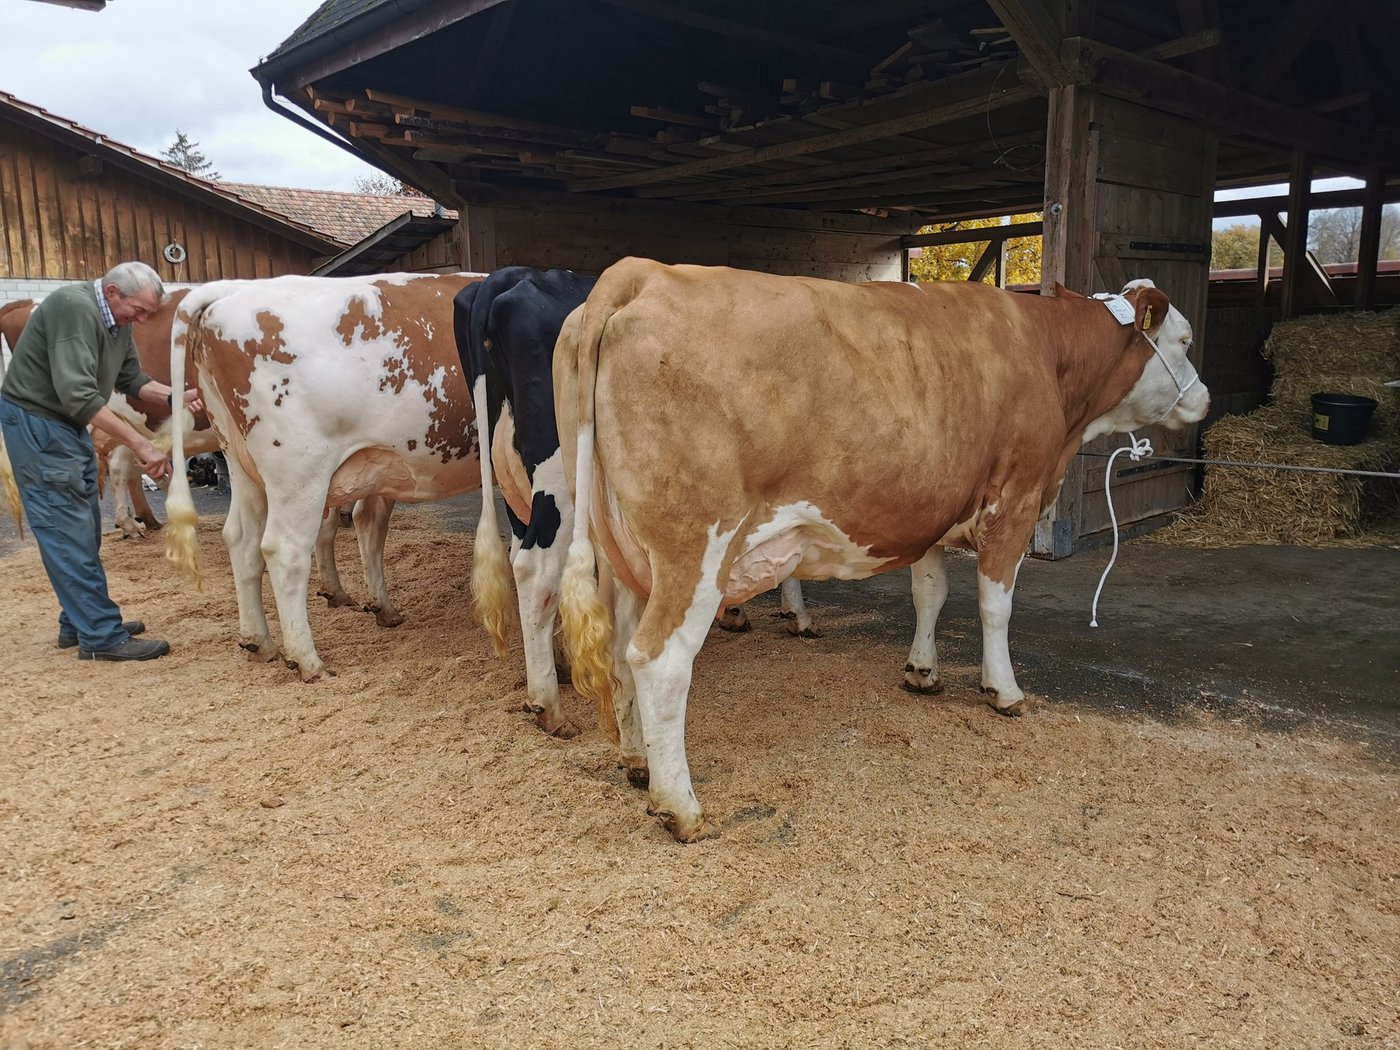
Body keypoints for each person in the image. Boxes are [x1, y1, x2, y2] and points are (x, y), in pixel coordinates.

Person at [0, 261, 202, 661]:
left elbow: (132, 381)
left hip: (63, 422)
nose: (142, 319)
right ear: (112, 293)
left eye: (147, 312)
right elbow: (78, 395)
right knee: (65, 525)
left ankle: (77, 622)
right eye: (138, 310)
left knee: (83, 525)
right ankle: (100, 636)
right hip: (38, 423)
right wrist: (143, 446)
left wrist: (178, 394)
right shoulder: (73, 308)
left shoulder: (118, 321)